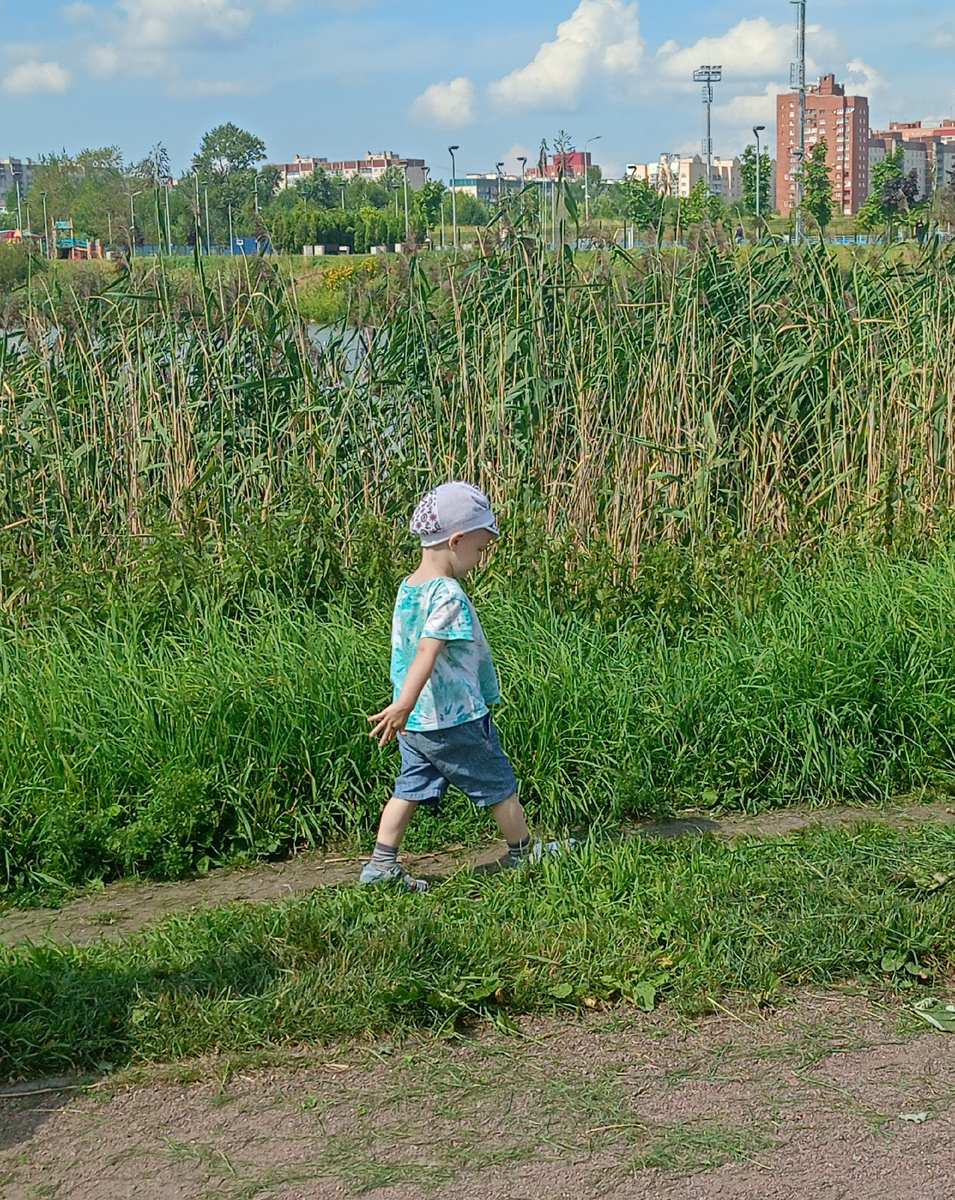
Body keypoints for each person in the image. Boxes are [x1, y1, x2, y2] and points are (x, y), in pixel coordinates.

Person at [361, 481, 543, 892]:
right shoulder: (448, 594)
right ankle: (524, 852)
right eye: (478, 550)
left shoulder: (409, 587)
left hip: (418, 723)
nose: (478, 560)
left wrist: (404, 709)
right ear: (456, 540)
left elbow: (407, 650)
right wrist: (404, 704)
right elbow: (426, 651)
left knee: (407, 789)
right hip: (454, 716)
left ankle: (380, 865)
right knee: (499, 784)